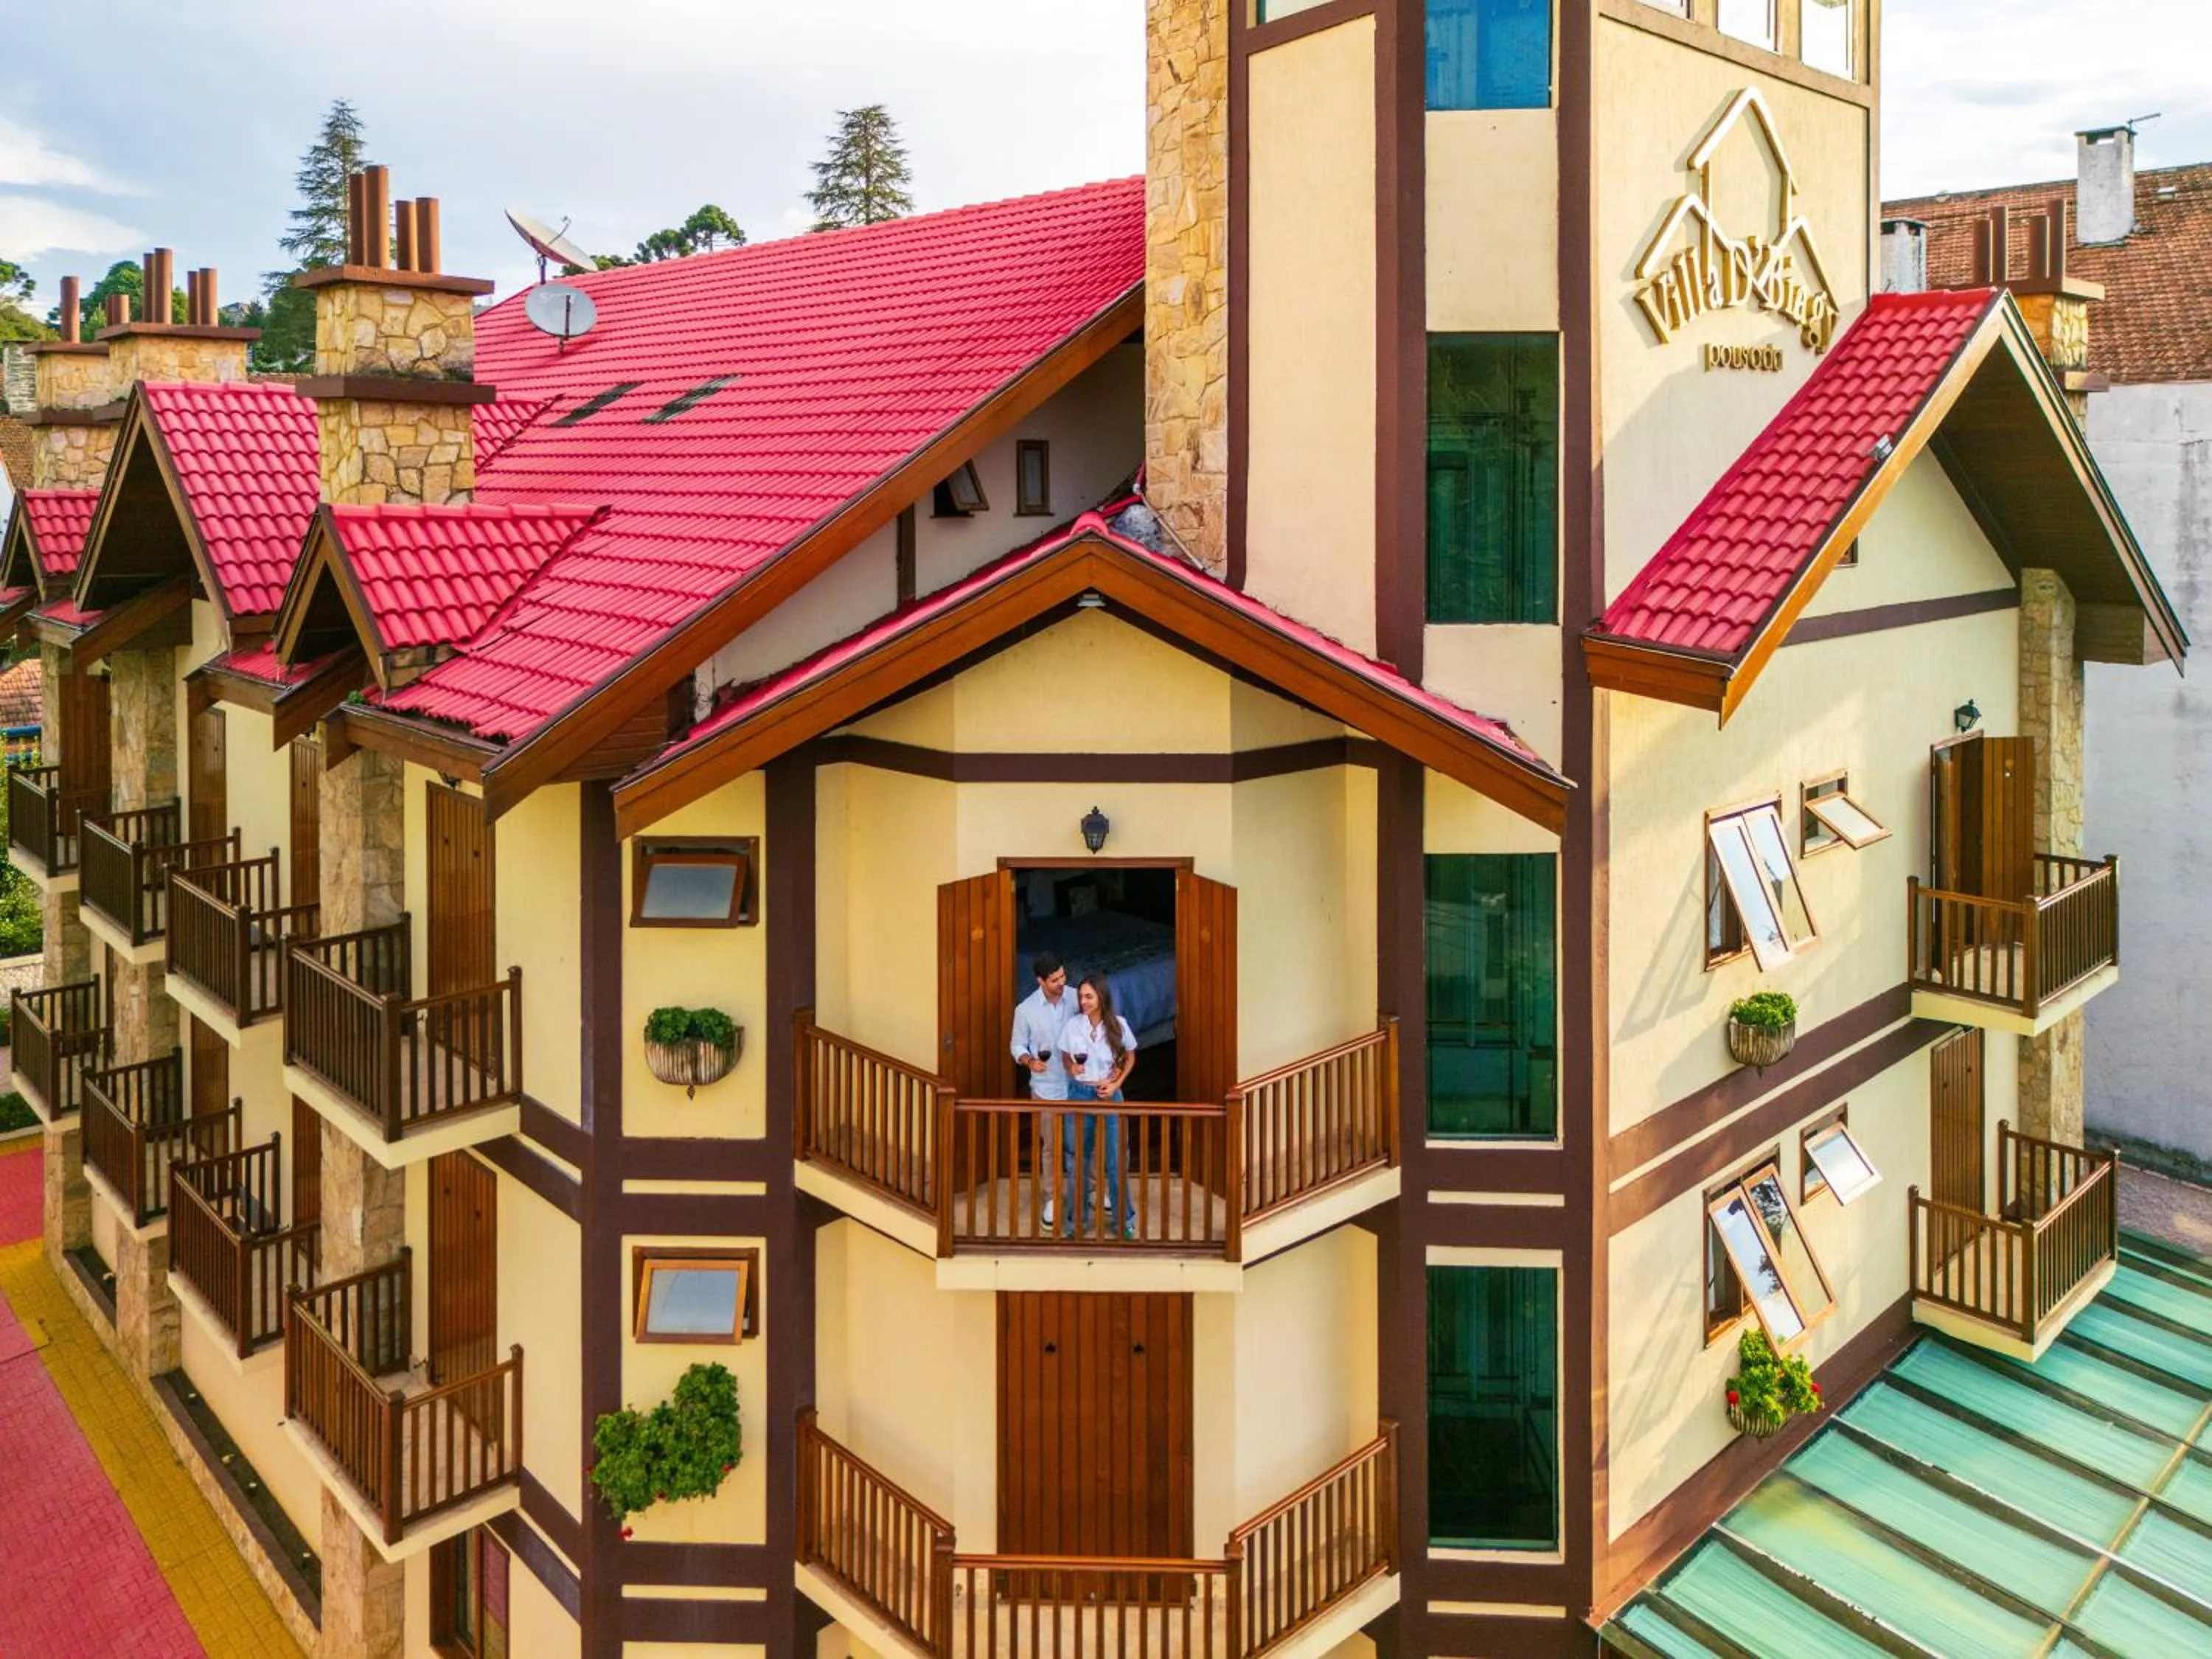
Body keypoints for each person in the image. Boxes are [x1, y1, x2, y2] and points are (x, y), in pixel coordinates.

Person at [1059, 974, 1139, 1240]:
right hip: (1080, 1094)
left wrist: (1117, 1086)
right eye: (1081, 997)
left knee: (1116, 1161)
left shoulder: (1119, 1025)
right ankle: (1076, 1223)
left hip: (1109, 1095)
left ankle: (1124, 1220)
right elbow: (1064, 1056)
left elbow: (1130, 1055)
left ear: (1101, 997)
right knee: (1077, 1161)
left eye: (1089, 996)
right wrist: (1072, 1067)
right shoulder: (1073, 1026)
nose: (1083, 1002)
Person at [1010, 951, 1082, 1229]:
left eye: (1063, 976)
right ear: (1040, 981)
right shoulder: (1025, 1010)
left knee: (1083, 1144)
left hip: (1078, 1085)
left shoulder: (1077, 998)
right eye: (1055, 980)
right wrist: (1029, 1060)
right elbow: (1017, 1044)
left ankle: (1089, 1193)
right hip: (1046, 1088)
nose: (1062, 982)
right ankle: (1053, 1198)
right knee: (1051, 1147)